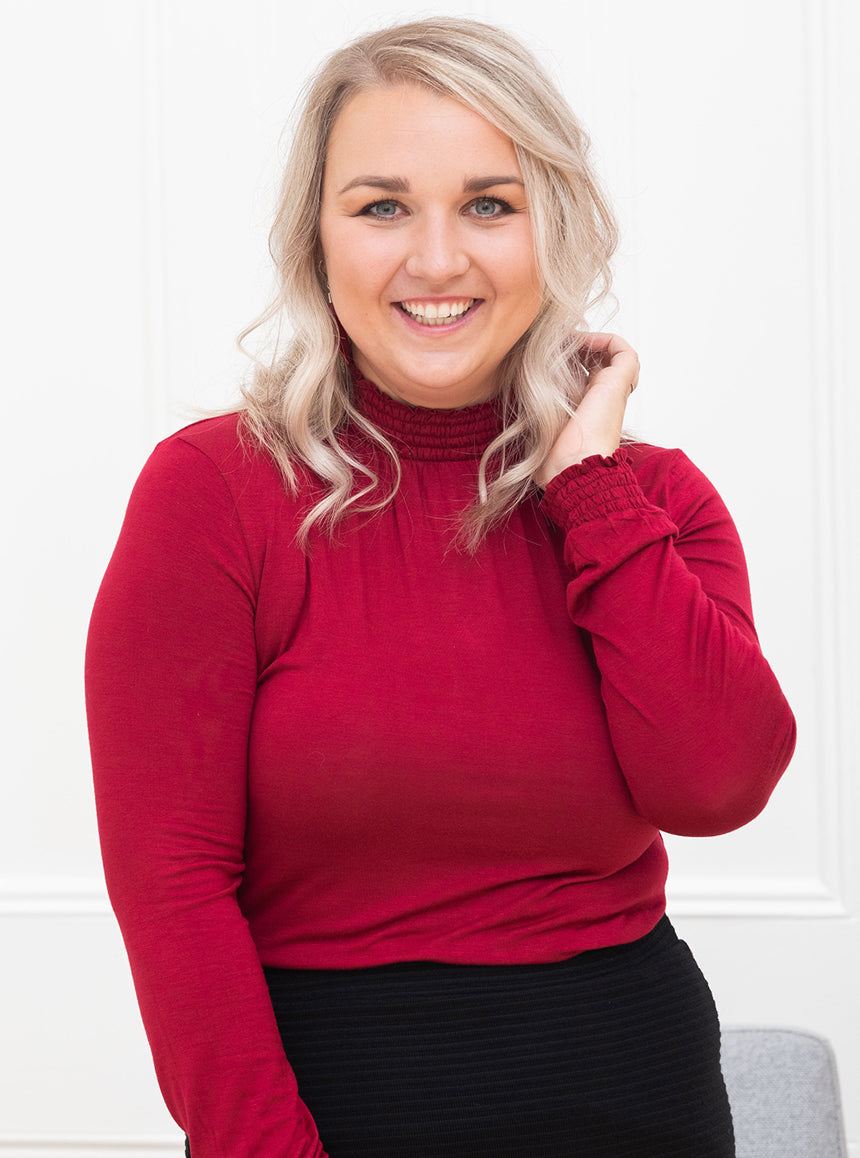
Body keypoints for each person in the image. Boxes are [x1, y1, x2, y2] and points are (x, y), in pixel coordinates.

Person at [85, 17, 796, 1158]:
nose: (435, 259)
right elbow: (171, 886)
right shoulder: (212, 493)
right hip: (333, 1108)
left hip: (638, 1092)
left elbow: (715, 785)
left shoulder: (648, 498)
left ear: (552, 227)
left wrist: (588, 490)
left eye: (488, 204)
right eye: (381, 207)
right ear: (315, 239)